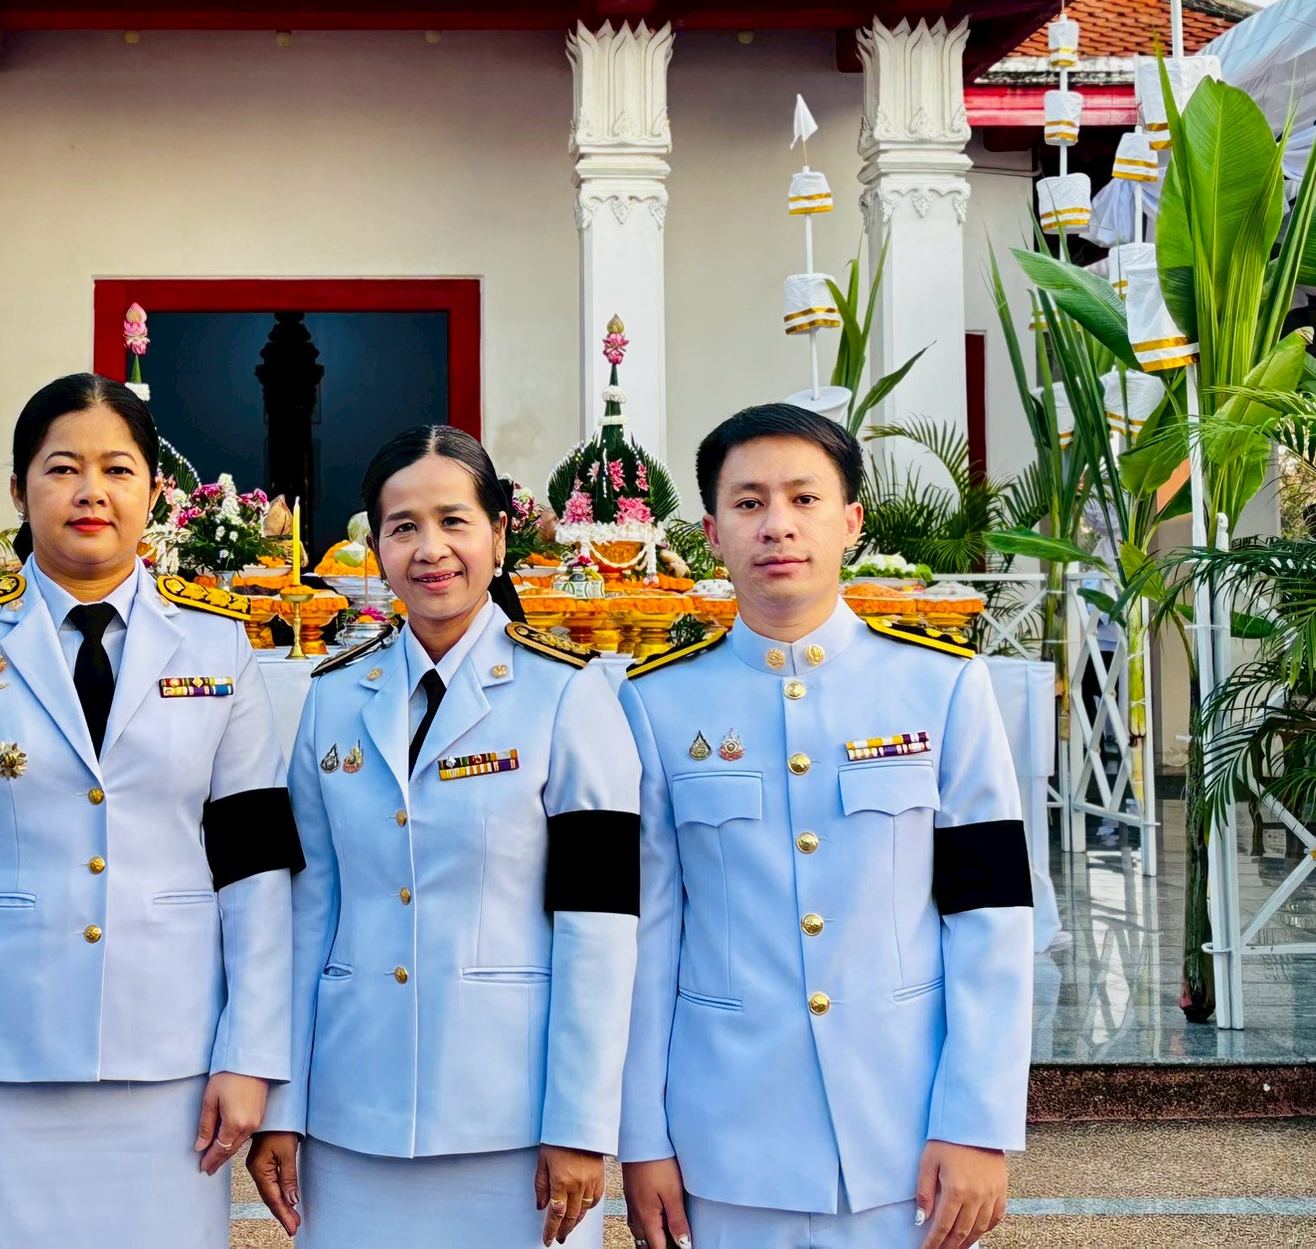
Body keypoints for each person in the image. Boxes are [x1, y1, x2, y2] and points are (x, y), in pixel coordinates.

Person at [0, 372, 299, 1249]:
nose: (91, 491)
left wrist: (251, 1052)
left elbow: (254, 866)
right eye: (62, 468)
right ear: (18, 488)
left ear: (155, 493)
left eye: (118, 469)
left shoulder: (217, 643)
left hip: (170, 1056)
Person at [618, 404, 1032, 1249]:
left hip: (908, 1132)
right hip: (726, 1137)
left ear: (849, 522)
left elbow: (992, 918)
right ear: (711, 531)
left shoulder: (940, 688)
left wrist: (980, 1119)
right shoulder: (655, 703)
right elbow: (648, 935)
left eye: (805, 499)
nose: (778, 526)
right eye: (748, 503)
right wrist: (642, 1138)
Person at [248, 426, 641, 1248]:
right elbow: (306, 910)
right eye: (403, 527)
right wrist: (280, 1104)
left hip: (511, 1113)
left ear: (499, 535)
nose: (431, 550)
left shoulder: (567, 697)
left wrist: (580, 1122)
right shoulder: (332, 696)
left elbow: (599, 927)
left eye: (455, 522)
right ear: (374, 547)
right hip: (350, 1109)